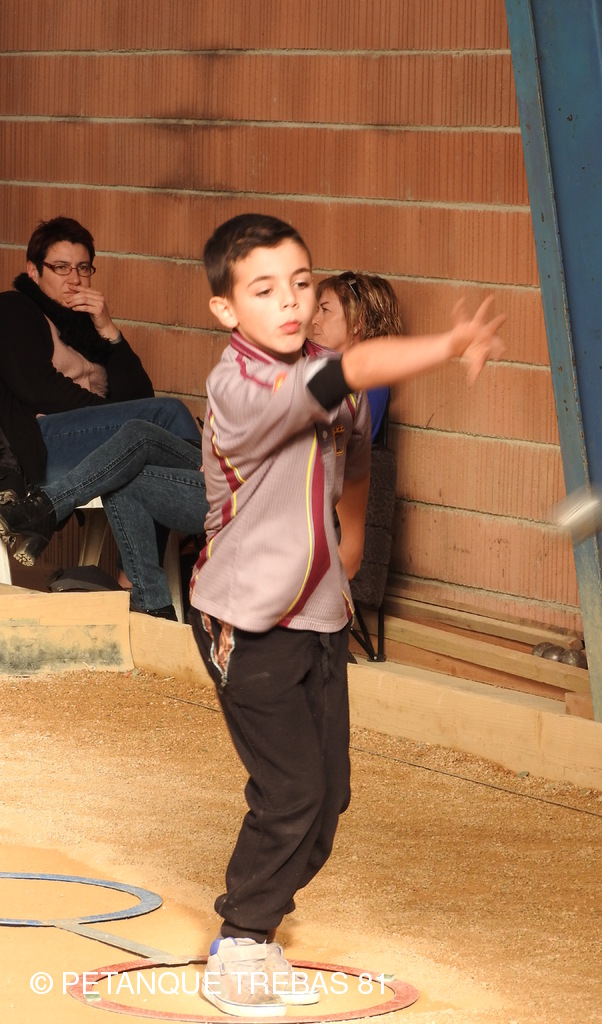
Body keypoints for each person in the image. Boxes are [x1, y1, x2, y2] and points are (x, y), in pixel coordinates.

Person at [188, 212, 505, 1017]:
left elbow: (353, 456)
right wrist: (446, 344)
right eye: (265, 289)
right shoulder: (239, 387)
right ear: (226, 308)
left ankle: (259, 923)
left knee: (328, 799)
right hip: (248, 620)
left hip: (320, 617)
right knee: (292, 790)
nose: (291, 302)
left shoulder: (328, 372)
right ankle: (241, 941)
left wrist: (349, 547)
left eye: (301, 283)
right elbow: (353, 370)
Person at [0, 216, 200, 492]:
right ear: (34, 272)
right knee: (168, 413)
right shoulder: (14, 308)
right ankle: (217, 498)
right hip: (45, 443)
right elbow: (39, 388)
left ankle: (205, 504)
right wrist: (118, 415)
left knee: (152, 470)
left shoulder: (86, 327)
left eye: (83, 268)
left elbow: (140, 398)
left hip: (97, 441)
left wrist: (107, 327)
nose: (75, 279)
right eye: (61, 268)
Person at [0, 421, 208, 617]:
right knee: (134, 442)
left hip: (225, 483)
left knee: (131, 457)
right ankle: (154, 607)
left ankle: (42, 509)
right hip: (211, 461)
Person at [312, 271, 403, 444]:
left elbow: (336, 447)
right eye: (317, 310)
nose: (314, 320)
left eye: (325, 310)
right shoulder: (322, 370)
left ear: (357, 321)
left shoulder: (372, 384)